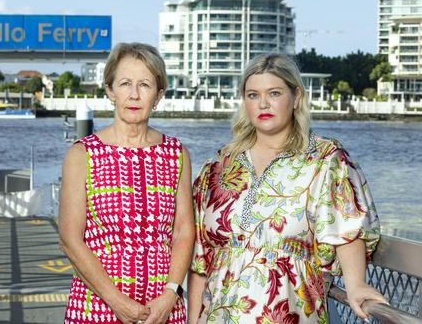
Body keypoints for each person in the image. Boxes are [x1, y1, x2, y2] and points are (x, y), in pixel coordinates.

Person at [187, 53, 386, 324]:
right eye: (253, 95)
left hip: (291, 312)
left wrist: (356, 284)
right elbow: (201, 258)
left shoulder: (324, 159)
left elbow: (346, 228)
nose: (263, 103)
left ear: (297, 97)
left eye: (275, 93)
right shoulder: (219, 165)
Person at [59, 42, 195, 324]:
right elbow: (70, 240)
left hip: (163, 309)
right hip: (97, 307)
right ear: (110, 91)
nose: (134, 95)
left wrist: (171, 293)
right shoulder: (82, 155)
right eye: (125, 84)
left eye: (145, 85)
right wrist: (117, 302)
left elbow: (183, 231)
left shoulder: (176, 153)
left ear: (158, 95)